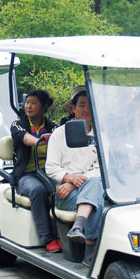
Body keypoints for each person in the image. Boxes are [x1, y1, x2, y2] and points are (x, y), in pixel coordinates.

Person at [46, 89, 103, 266]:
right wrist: (68, 178)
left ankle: (79, 225)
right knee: (96, 197)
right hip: (64, 193)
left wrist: (74, 182)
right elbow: (51, 168)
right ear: (73, 108)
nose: (86, 109)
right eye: (82, 105)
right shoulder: (59, 134)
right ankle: (90, 250)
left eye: (89, 105)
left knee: (96, 186)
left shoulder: (101, 135)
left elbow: (103, 169)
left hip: (83, 187)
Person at [11, 90, 60, 252]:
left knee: (63, 189)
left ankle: (64, 235)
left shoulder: (53, 126)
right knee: (38, 190)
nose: (29, 106)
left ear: (44, 106)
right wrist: (41, 141)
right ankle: (48, 238)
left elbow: (62, 140)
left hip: (49, 172)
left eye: (33, 103)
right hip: (26, 174)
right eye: (27, 102)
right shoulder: (18, 124)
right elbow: (24, 138)